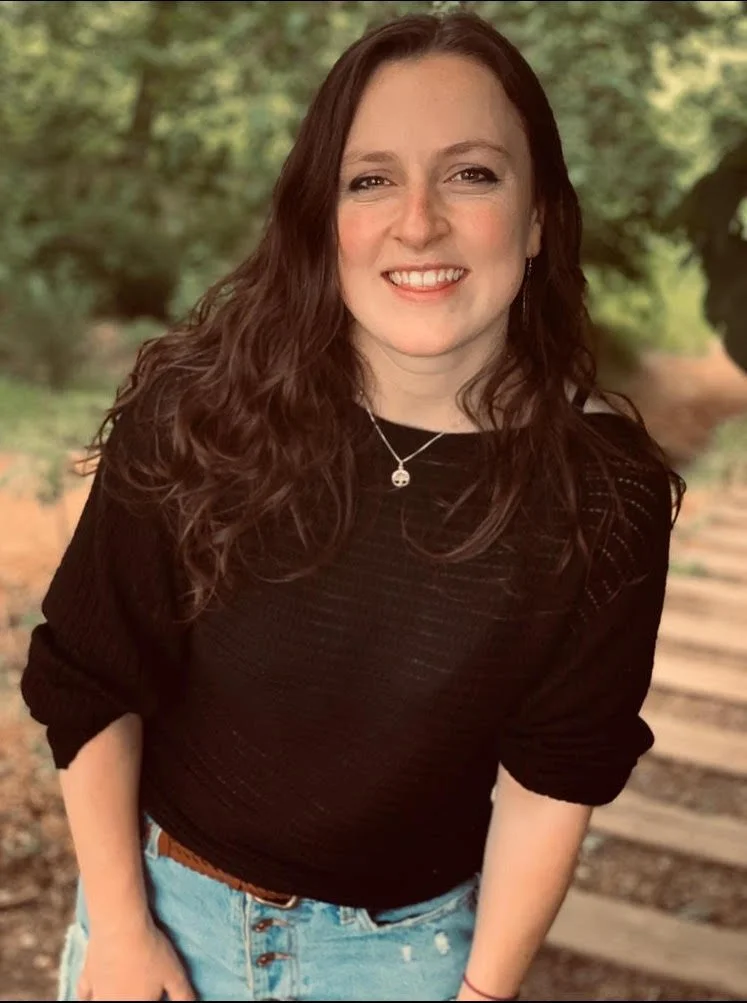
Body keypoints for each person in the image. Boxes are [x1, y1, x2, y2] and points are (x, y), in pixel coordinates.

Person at [21, 11, 683, 1003]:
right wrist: (118, 926)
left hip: (407, 963)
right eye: (370, 179)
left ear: (540, 214)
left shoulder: (603, 491)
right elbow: (89, 679)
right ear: (320, 216)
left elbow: (557, 775)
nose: (418, 222)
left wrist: (484, 994)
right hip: (160, 920)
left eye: (472, 173)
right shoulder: (200, 413)